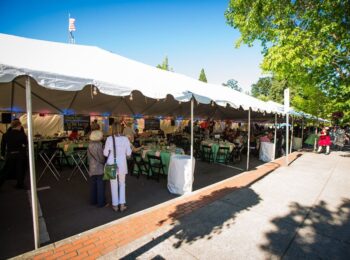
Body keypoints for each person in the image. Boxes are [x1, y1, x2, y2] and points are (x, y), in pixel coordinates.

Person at [103, 122, 132, 212]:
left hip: (111, 163)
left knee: (113, 184)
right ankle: (122, 205)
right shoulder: (125, 139)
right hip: (122, 164)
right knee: (122, 183)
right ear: (121, 129)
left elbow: (105, 153)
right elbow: (128, 153)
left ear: (112, 129)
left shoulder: (109, 139)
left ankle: (115, 205)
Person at [0, 119, 28, 189]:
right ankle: (20, 184)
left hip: (10, 155)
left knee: (5, 171)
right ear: (18, 126)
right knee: (20, 170)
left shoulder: (5, 135)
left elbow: (3, 145)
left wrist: (3, 154)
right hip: (20, 155)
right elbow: (25, 145)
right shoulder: (22, 135)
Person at [87, 130, 106, 207]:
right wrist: (104, 162)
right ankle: (101, 203)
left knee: (93, 185)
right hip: (99, 167)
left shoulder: (89, 145)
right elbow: (101, 158)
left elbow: (88, 157)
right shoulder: (100, 145)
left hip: (92, 167)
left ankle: (93, 201)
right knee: (101, 185)